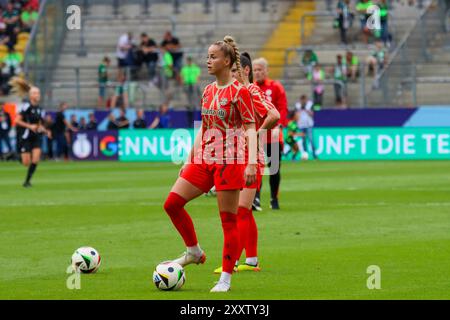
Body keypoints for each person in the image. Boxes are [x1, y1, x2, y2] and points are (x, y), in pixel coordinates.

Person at [162, 36, 257, 292]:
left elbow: (250, 128)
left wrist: (251, 163)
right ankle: (193, 251)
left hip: (230, 160)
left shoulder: (240, 91)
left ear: (227, 61)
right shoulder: (208, 90)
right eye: (207, 56)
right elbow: (203, 127)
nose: (208, 61)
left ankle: (225, 278)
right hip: (205, 158)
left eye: (213, 57)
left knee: (228, 221)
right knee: (172, 204)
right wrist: (189, 157)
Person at [213, 51, 280, 274]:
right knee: (243, 211)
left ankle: (240, 262)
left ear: (246, 71)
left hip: (252, 158)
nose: (230, 75)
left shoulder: (250, 90)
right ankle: (248, 259)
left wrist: (257, 134)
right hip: (239, 157)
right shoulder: (240, 91)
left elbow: (274, 115)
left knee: (241, 210)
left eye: (234, 71)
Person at [252, 57, 288, 211]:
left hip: (272, 136)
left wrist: (277, 126)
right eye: (255, 70)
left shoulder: (276, 87)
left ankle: (274, 198)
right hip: (256, 136)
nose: (257, 72)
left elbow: (283, 109)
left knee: (273, 169)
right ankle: (256, 199)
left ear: (266, 71)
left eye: (260, 69)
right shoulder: (250, 88)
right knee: (255, 167)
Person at [10, 77, 51, 187]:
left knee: (36, 158)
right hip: (25, 136)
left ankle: (27, 181)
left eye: (38, 93)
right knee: (26, 163)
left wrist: (45, 130)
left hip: (35, 136)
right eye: (35, 93)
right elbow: (16, 120)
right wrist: (29, 126)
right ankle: (15, 155)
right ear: (31, 95)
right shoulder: (26, 106)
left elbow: (39, 124)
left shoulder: (40, 109)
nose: (38, 95)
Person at [180, 56, 201, 127]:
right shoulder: (184, 68)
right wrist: (183, 83)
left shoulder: (195, 68)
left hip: (193, 84)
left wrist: (196, 83)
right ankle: (189, 105)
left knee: (194, 97)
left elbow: (197, 76)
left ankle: (194, 104)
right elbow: (182, 77)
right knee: (188, 97)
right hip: (187, 84)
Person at [295, 95, 318, 159]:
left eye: (304, 100)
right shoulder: (297, 105)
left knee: (311, 140)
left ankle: (314, 155)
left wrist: (306, 109)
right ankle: (305, 155)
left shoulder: (310, 105)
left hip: (308, 125)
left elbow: (312, 114)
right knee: (303, 141)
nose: (303, 101)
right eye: (302, 100)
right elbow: (296, 115)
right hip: (301, 125)